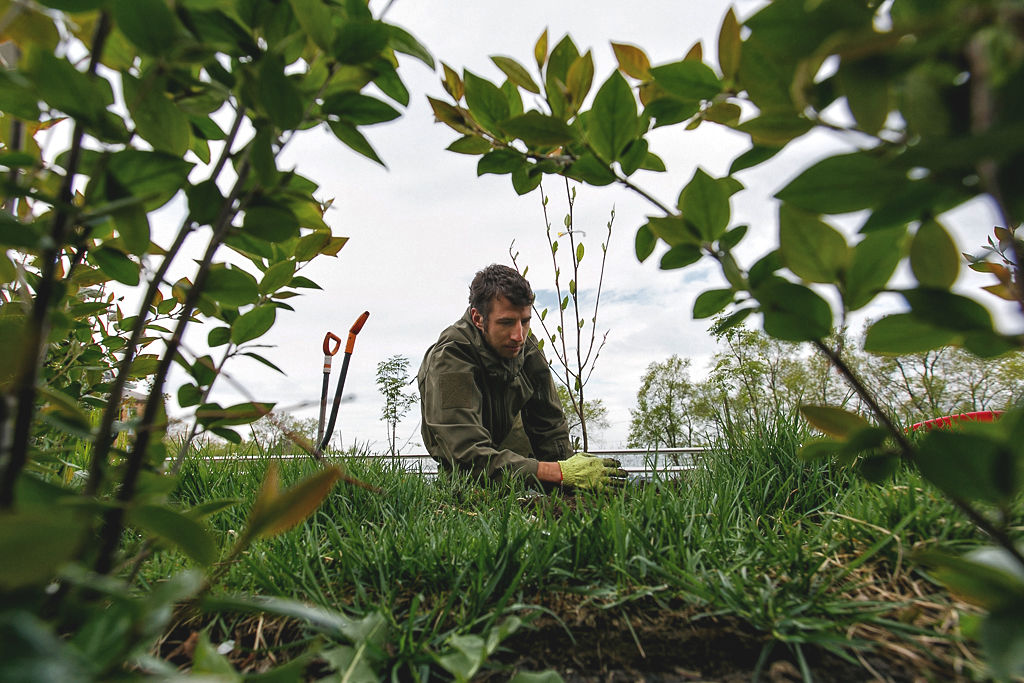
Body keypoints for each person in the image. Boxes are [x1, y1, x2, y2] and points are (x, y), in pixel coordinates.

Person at [417, 264, 625, 489]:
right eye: (506, 322)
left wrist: (571, 483)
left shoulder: (526, 347)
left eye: (525, 321)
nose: (519, 336)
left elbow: (551, 426)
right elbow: (467, 456)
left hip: (515, 462)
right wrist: (558, 472)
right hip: (465, 478)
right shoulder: (449, 359)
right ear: (478, 318)